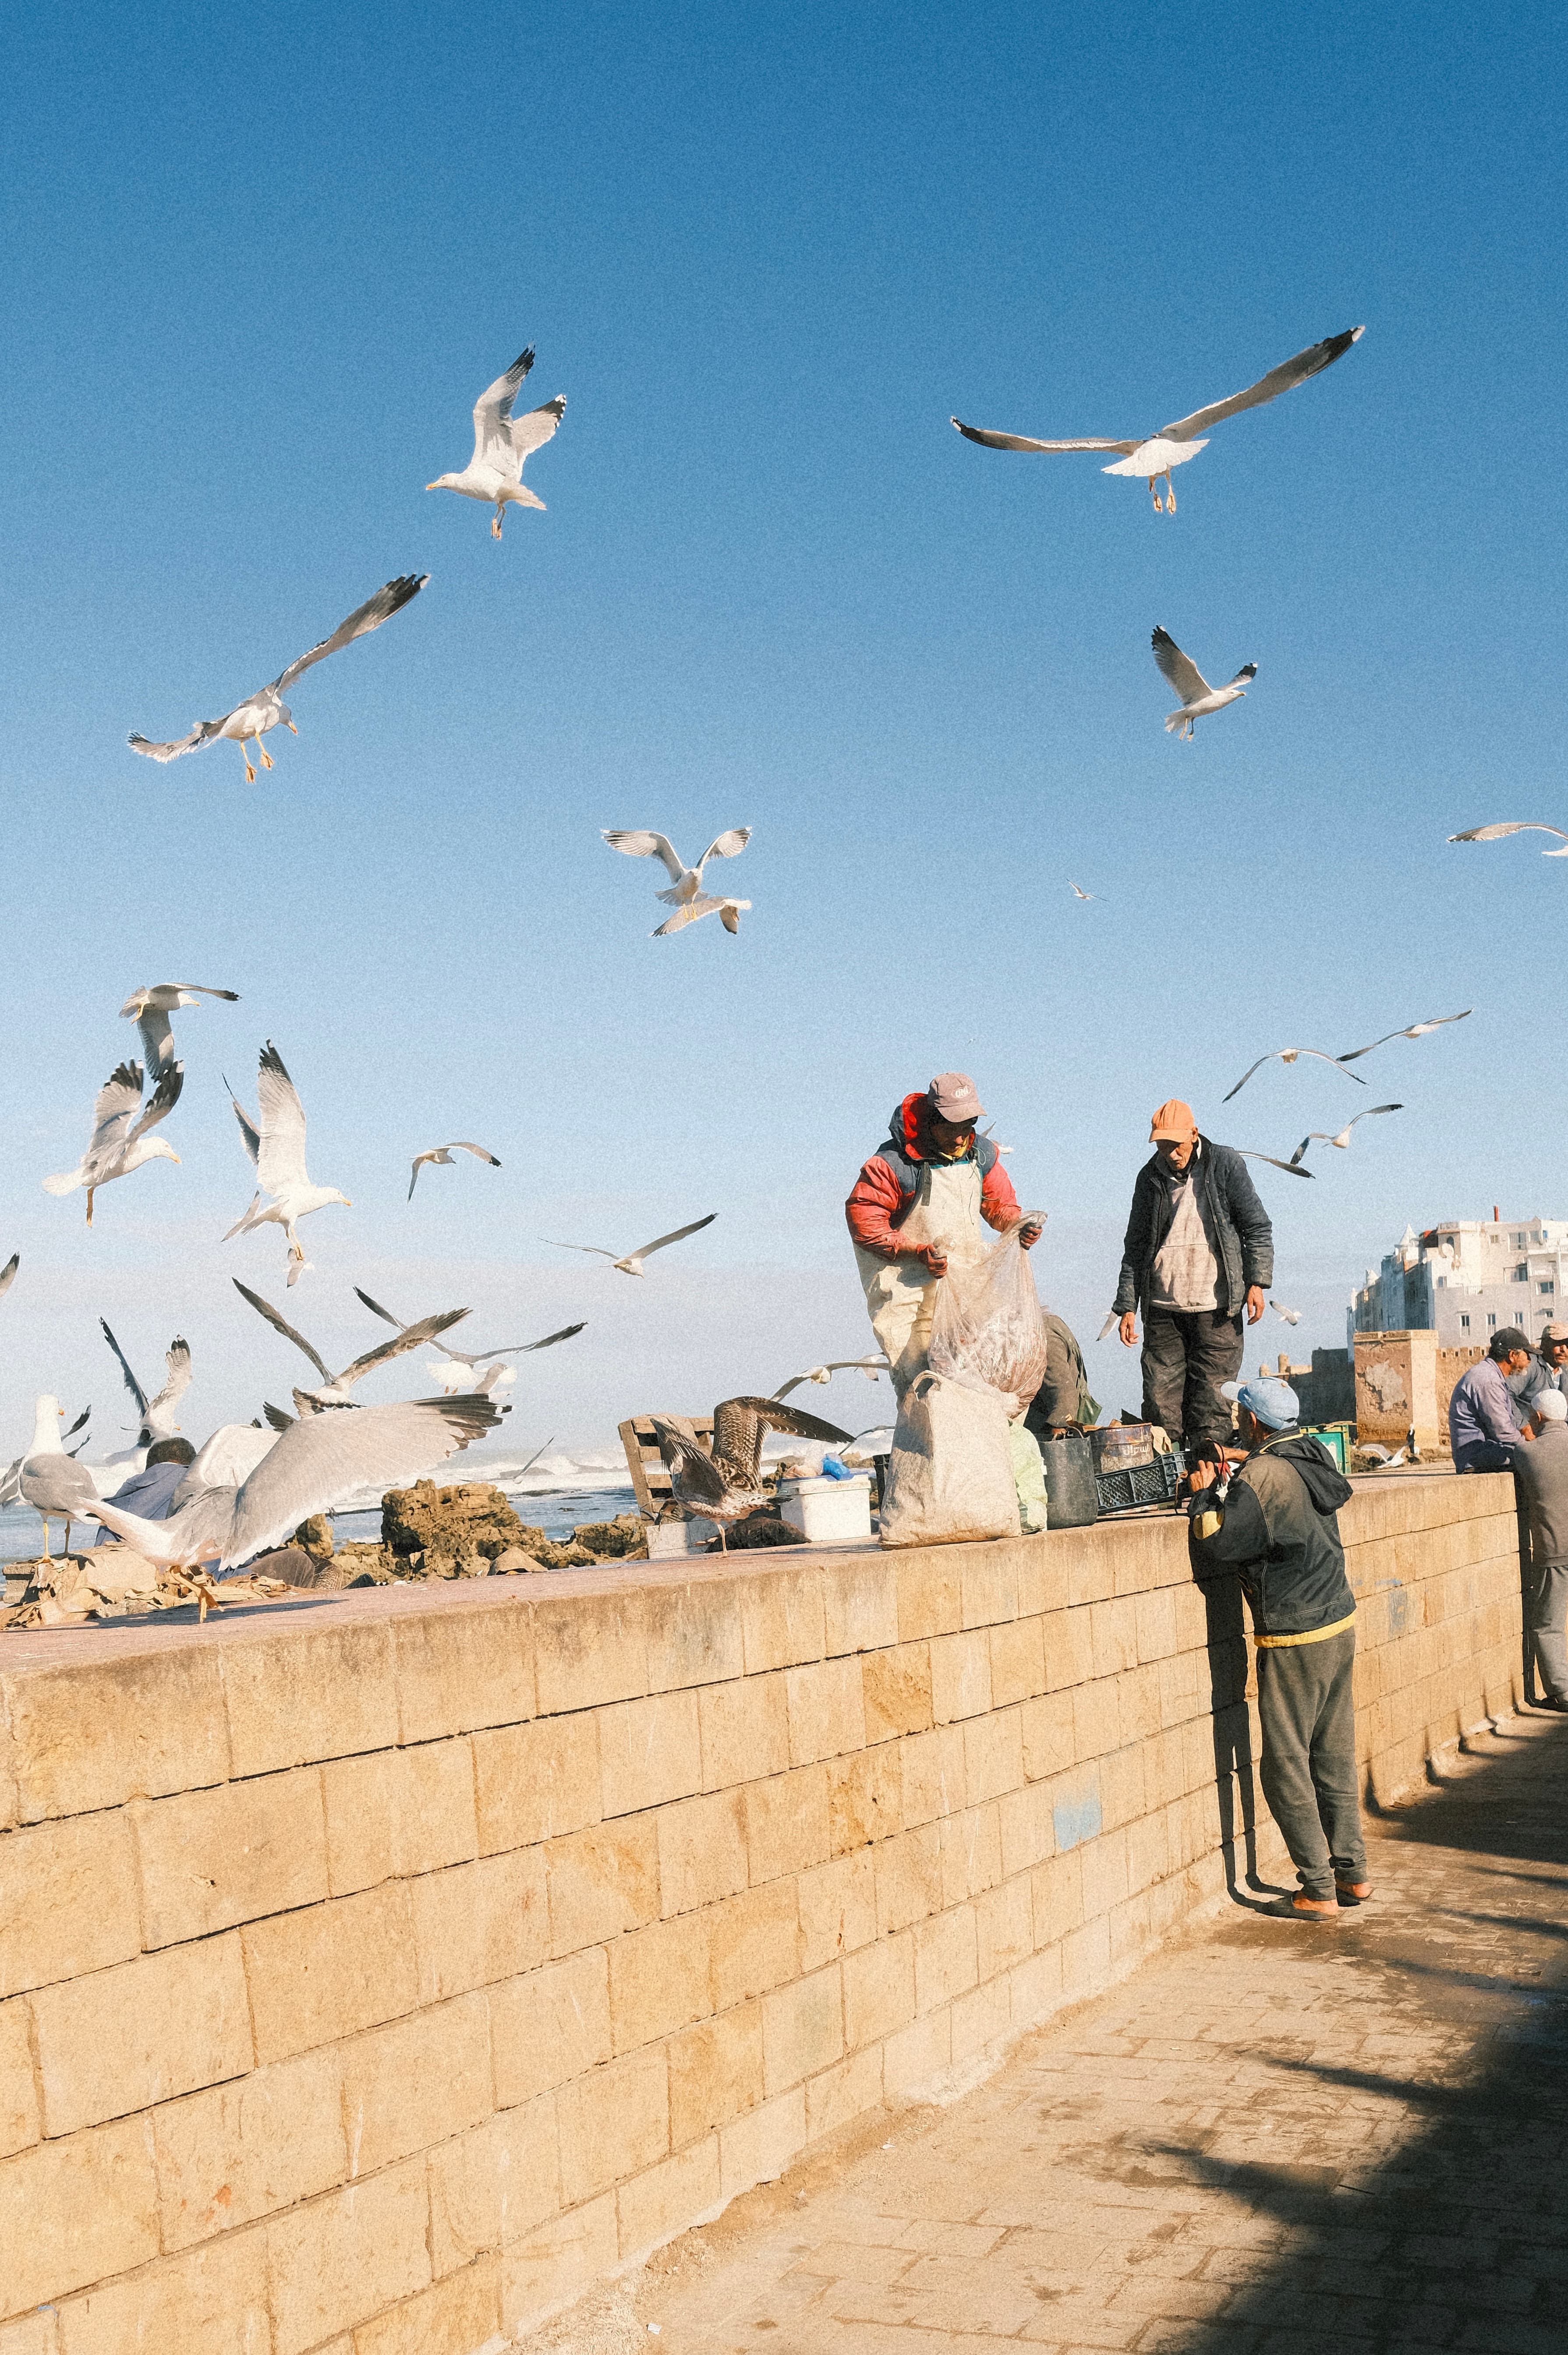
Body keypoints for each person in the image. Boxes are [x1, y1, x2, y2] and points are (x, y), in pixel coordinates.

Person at [1187, 1374, 1367, 1922]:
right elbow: (1276, 1480)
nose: (1238, 1419)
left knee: (1287, 1764)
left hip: (1295, 1632)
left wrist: (1204, 1491)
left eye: (1243, 1413)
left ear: (1255, 1421)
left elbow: (1219, 1542)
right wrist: (1241, 1465)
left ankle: (1317, 1888)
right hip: (1338, 1620)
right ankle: (1352, 1873)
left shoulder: (1263, 1475)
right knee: (1333, 1754)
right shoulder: (1311, 1455)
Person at [846, 1072, 1042, 1397]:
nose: (959, 1138)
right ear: (930, 1121)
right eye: (950, 1128)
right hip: (907, 1294)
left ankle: (973, 1447)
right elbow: (865, 1224)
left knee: (972, 1381)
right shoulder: (891, 1165)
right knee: (921, 1385)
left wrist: (1016, 1225)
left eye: (967, 1128)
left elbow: (999, 1206)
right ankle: (927, 1446)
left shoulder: (981, 1153)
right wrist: (917, 1250)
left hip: (964, 1288)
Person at [1113, 1098, 1273, 1454]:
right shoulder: (1149, 1177)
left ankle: (1208, 1480)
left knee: (1212, 1404)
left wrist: (1257, 1283)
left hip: (1218, 1306)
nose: (1171, 1154)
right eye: (1163, 1147)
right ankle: (1166, 1477)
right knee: (1159, 1402)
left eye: (1177, 1145)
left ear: (1194, 1134)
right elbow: (1136, 1246)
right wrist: (1126, 1304)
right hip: (1162, 1308)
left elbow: (1256, 1227)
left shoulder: (1225, 1164)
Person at [1511, 1388, 1568, 1712]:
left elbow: (1518, 1452)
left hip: (1554, 1551)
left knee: (1548, 1624)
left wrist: (1525, 1434)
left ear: (1538, 1417)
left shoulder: (1528, 1454)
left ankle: (1561, 1691)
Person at [1448, 1328, 1534, 1472]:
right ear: (1513, 1355)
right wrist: (1532, 1449)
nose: (1530, 1360)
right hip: (1477, 1457)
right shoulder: (1489, 1381)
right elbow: (1503, 1431)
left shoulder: (1490, 1375)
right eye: (1528, 1355)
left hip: (1482, 1453)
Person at [85, 1437, 197, 1546]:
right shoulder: (202, 1486)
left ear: (150, 1467)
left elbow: (104, 1547)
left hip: (130, 1560)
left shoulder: (127, 1494)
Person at [1024, 1310, 1098, 1442]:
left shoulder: (1042, 1333)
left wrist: (1059, 1427)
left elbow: (1063, 1390)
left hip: (1048, 1434)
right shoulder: (1042, 1327)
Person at [1513, 1321, 1568, 1418]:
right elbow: (1506, 1394)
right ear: (1545, 1344)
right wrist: (1523, 1426)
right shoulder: (1531, 1365)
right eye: (1558, 1343)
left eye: (1567, 1345)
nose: (1564, 1350)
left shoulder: (1564, 1371)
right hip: (1530, 1430)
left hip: (1557, 1429)